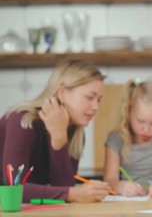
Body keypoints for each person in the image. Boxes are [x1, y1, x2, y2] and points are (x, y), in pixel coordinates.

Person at [0, 59, 111, 203]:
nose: (95, 106)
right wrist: (74, 194)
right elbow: (13, 189)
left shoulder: (76, 133)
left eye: (99, 100)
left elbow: (63, 189)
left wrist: (59, 140)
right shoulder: (22, 121)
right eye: (89, 97)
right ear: (62, 93)